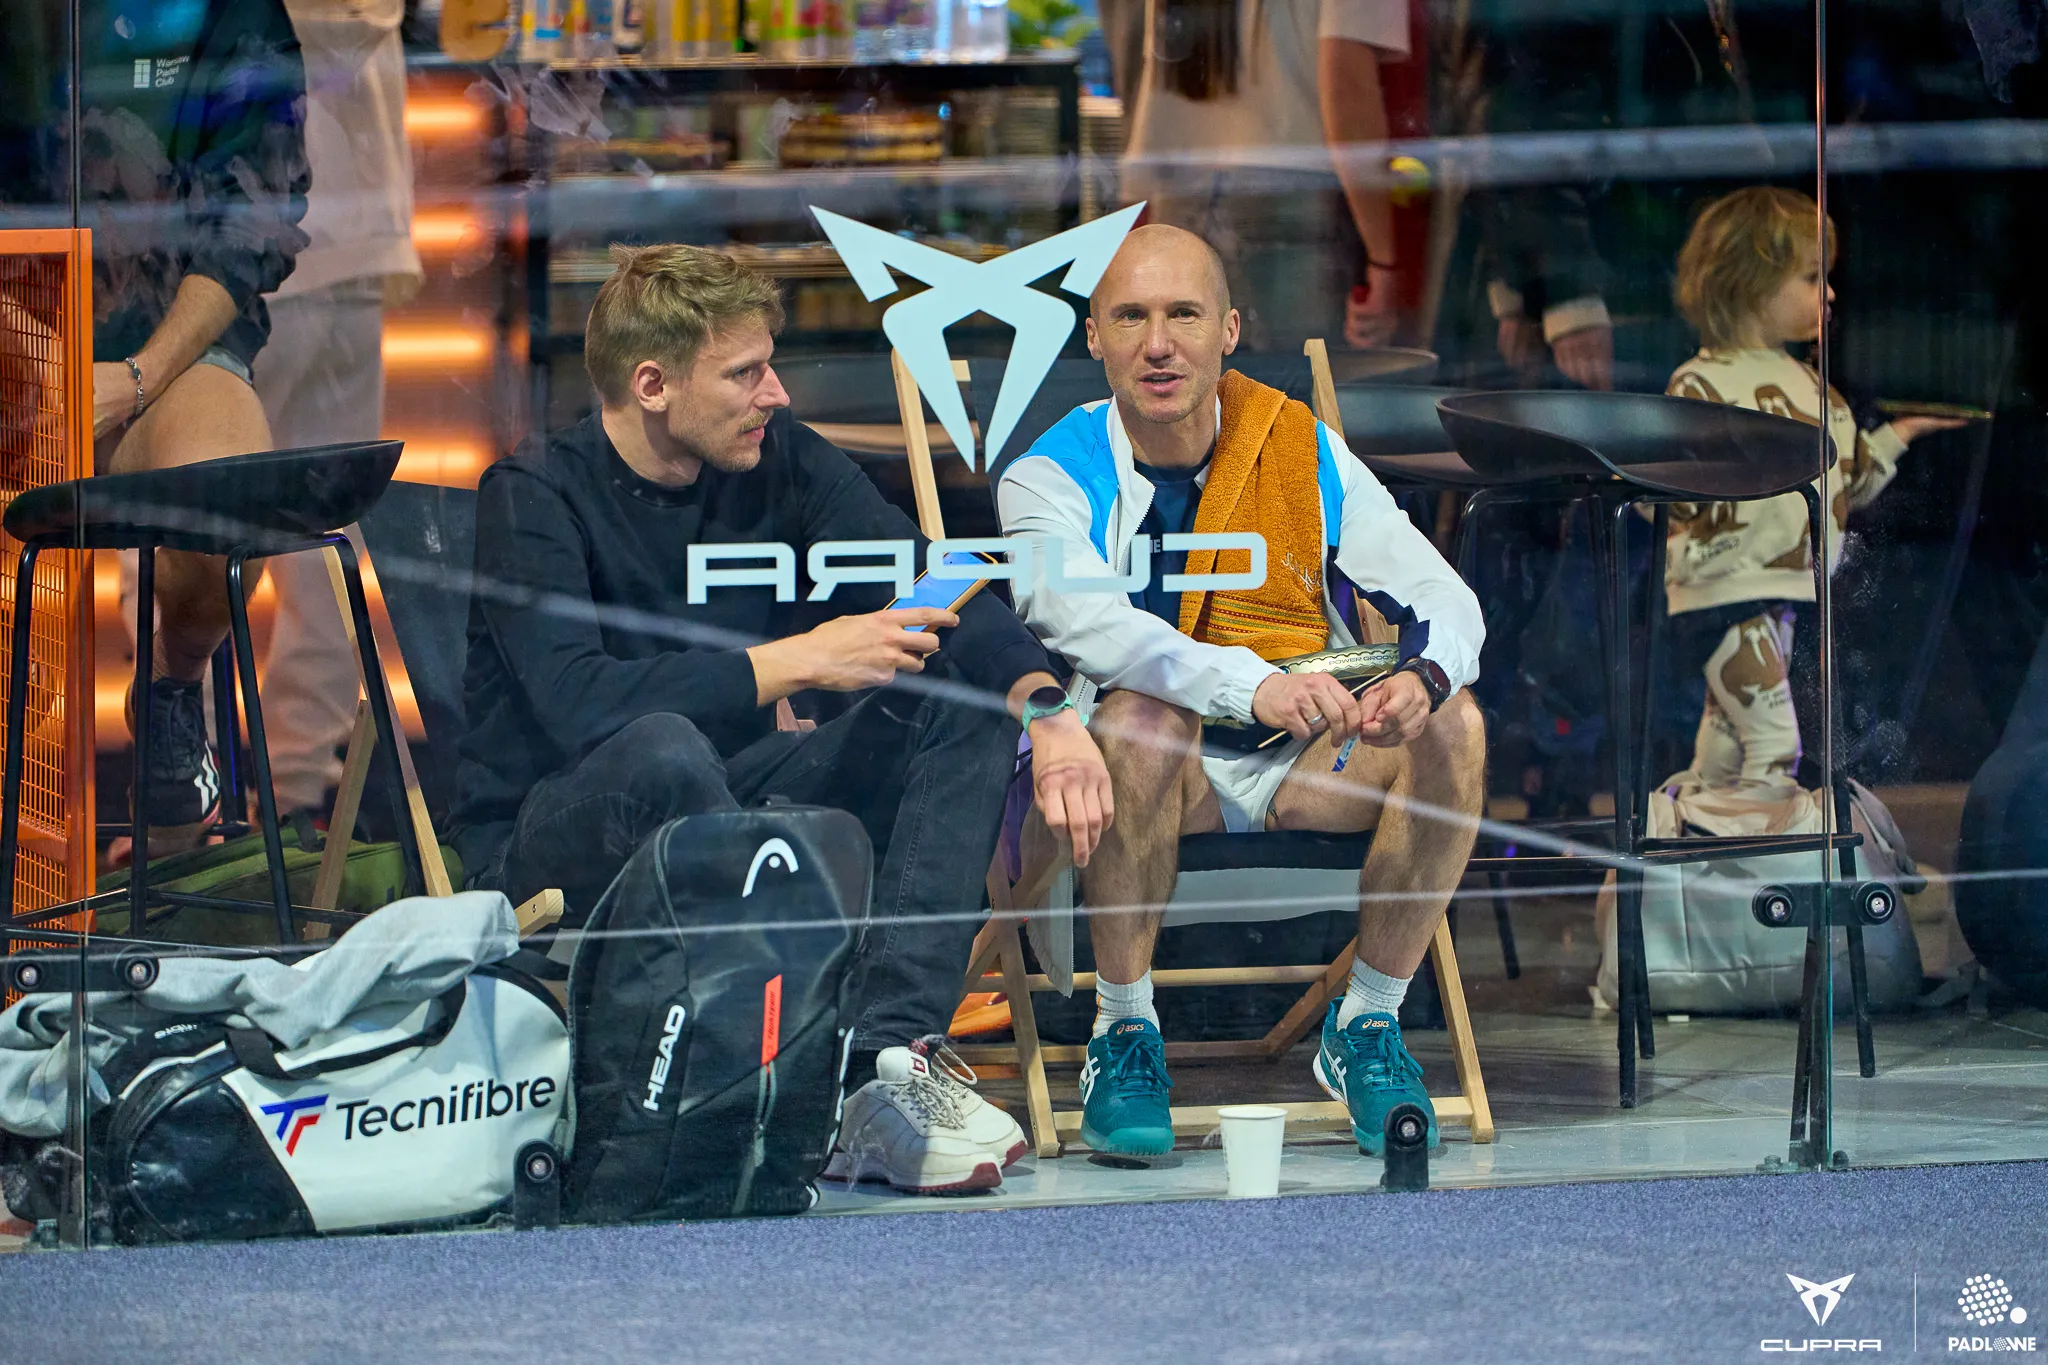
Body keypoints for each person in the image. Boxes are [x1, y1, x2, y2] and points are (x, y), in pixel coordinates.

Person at [453, 244, 1115, 1196]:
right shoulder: (534, 494)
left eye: (770, 364)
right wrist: (798, 660)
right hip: (559, 834)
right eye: (745, 373)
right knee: (664, 748)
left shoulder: (774, 458)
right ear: (652, 384)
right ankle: (748, 1074)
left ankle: (880, 1066)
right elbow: (578, 707)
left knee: (953, 707)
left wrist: (1044, 707)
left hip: (740, 812)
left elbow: (933, 580)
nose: (778, 395)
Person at [995, 224, 1488, 1158]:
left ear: (1228, 330)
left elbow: (1443, 597)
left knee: (1455, 725)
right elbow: (1089, 624)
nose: (1158, 343)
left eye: (1183, 313)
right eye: (1130, 316)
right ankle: (1125, 1031)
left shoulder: (1297, 448)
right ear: (1093, 337)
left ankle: (1369, 1025)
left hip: (1303, 750)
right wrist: (1254, 684)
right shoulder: (1050, 474)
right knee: (1136, 716)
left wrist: (1421, 677)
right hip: (1145, 767)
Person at [3, 0, 309, 854]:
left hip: (158, 361)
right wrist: (36, 352)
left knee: (224, 505)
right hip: (17, 335)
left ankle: (172, 690)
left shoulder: (233, 13)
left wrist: (137, 376)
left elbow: (250, 224)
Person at [1663, 187, 1964, 789]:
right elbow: (1675, 494)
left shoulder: (1814, 386)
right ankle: (1761, 857)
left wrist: (1900, 434)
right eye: (1810, 277)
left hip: (1783, 590)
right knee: (1774, 744)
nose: (1828, 294)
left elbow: (1850, 482)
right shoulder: (1700, 382)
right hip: (1726, 590)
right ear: (1751, 281)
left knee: (1725, 743)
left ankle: (1702, 846)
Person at [252, 0, 422, 823]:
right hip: (354, 227)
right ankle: (290, 796)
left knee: (179, 517)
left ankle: (188, 795)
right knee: (323, 535)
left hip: (267, 234)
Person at [1113, 0, 1411, 350]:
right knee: (1292, 395)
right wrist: (1384, 261)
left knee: (1195, 396)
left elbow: (1155, 75)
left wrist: (1129, 220)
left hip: (1181, 198)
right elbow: (1347, 85)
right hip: (1291, 204)